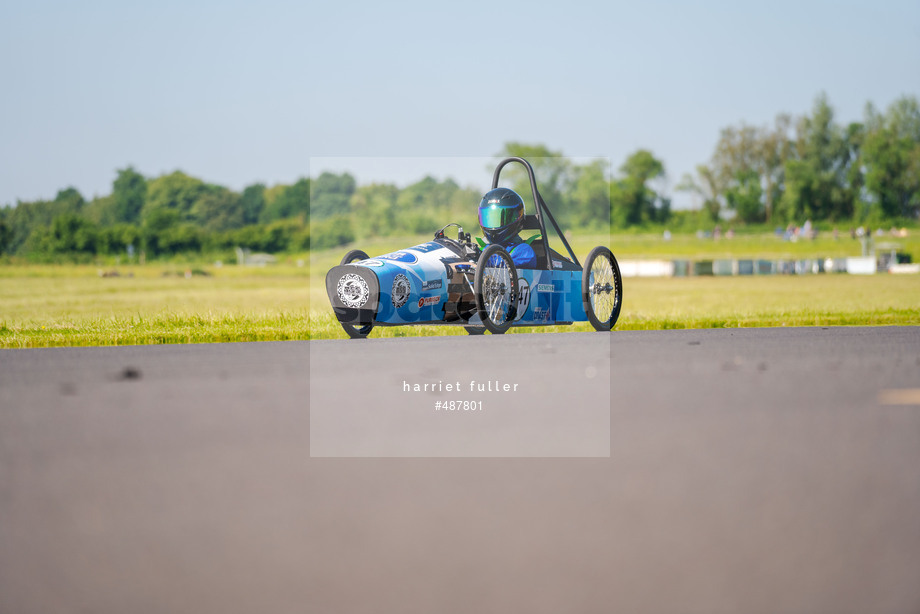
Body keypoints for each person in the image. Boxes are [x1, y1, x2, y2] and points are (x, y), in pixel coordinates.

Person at [477, 188, 537, 268]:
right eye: (491, 219)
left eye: (501, 220)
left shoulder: (524, 251)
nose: (494, 227)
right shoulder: (486, 248)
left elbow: (502, 264)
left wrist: (478, 261)